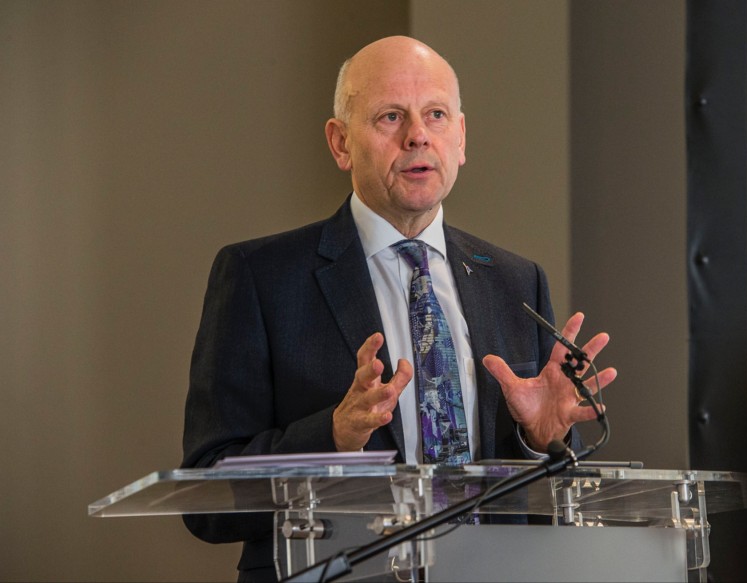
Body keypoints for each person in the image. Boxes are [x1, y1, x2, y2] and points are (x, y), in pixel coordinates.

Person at [181, 35, 617, 582]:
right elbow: (206, 499)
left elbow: (556, 499)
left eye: (436, 115)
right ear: (341, 143)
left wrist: (541, 441)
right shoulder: (261, 277)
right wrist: (334, 437)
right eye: (391, 116)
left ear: (460, 138)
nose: (417, 135)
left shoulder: (515, 281)